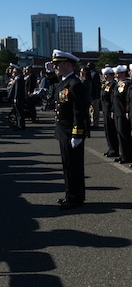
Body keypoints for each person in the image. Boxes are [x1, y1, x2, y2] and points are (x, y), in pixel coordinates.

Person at [51, 49, 88, 210]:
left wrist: (77, 133)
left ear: (68, 64)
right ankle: (70, 194)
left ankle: (75, 197)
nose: (55, 67)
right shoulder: (63, 82)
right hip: (63, 131)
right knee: (67, 165)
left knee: (74, 167)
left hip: (71, 132)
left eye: (57, 64)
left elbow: (79, 111)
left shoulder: (75, 84)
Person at [112, 65, 132, 164]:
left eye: (118, 73)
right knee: (119, 134)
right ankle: (122, 154)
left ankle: (127, 156)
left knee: (124, 135)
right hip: (117, 112)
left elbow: (127, 99)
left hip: (122, 112)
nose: (116, 75)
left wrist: (127, 111)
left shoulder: (127, 84)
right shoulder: (118, 84)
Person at [100, 67, 119, 158]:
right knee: (107, 130)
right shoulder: (105, 84)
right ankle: (110, 148)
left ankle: (114, 149)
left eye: (106, 75)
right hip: (105, 109)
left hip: (109, 109)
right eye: (104, 75)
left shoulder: (113, 85)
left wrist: (112, 110)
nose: (104, 76)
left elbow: (112, 100)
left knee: (111, 131)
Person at [7, 63, 26, 130]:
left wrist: (15, 98)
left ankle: (20, 125)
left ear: (18, 72)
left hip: (18, 98)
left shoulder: (18, 79)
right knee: (17, 112)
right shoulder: (18, 78)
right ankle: (18, 124)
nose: (13, 73)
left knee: (19, 112)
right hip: (18, 98)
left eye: (14, 72)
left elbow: (17, 90)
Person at [87, 62, 102, 127]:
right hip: (93, 94)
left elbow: (96, 85)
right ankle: (93, 122)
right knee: (92, 109)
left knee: (95, 109)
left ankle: (95, 123)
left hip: (94, 95)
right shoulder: (91, 73)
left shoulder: (94, 74)